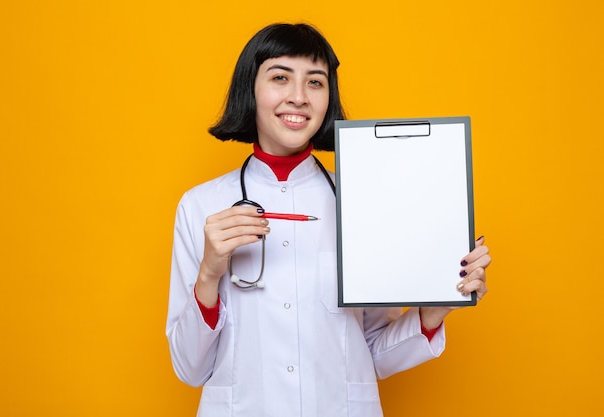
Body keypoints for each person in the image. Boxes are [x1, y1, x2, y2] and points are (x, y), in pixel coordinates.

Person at [166, 23, 491, 417]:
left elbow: (374, 352)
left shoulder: (366, 201)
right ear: (250, 88)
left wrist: (437, 308)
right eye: (280, 77)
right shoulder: (201, 205)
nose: (299, 97)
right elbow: (189, 367)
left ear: (328, 97)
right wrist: (209, 273)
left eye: (315, 82)